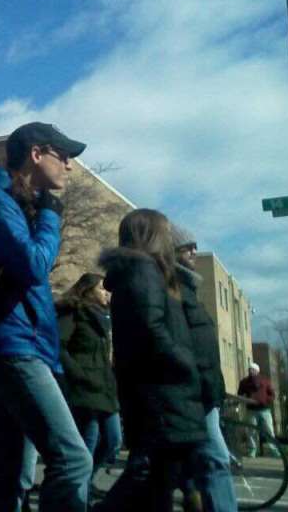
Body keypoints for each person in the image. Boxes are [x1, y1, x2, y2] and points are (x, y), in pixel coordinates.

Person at [0, 122, 92, 511]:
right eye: (63, 156)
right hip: (13, 348)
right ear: (37, 154)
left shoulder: (16, 205)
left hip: (27, 347)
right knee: (73, 460)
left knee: (10, 474)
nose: (69, 166)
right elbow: (34, 264)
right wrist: (51, 217)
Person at [98, 209, 206, 511]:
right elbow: (151, 327)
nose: (171, 238)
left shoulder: (139, 273)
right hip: (164, 392)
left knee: (157, 484)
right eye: (166, 231)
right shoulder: (143, 271)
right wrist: (184, 361)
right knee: (150, 480)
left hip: (159, 393)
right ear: (152, 235)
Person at [171, 226, 237, 511]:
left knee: (190, 467)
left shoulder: (188, 289)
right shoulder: (172, 289)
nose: (194, 251)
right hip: (194, 394)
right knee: (217, 462)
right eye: (187, 247)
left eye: (195, 246)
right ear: (171, 251)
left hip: (206, 394)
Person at [56, 273, 121, 477]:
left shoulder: (105, 318)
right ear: (88, 290)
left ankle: (85, 481)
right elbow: (59, 346)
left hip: (104, 388)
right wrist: (78, 373)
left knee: (114, 440)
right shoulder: (73, 312)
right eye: (101, 288)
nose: (106, 293)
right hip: (83, 388)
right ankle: (79, 493)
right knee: (89, 439)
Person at [238, 363, 279, 457]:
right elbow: (240, 394)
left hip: (264, 410)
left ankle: (274, 450)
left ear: (257, 371)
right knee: (251, 431)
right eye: (249, 369)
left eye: (253, 369)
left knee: (269, 431)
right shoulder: (244, 382)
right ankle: (252, 450)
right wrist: (245, 400)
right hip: (251, 410)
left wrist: (265, 401)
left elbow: (272, 394)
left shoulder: (265, 381)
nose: (251, 371)